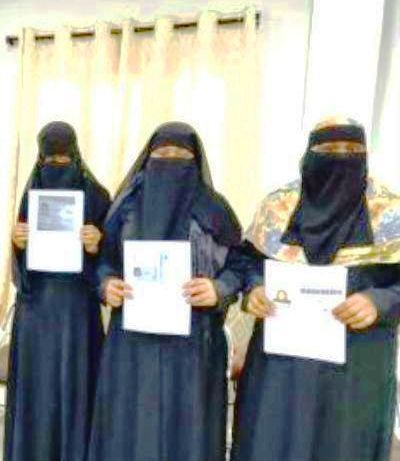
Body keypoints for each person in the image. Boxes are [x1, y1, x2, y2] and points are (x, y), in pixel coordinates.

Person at [229, 117, 400, 461]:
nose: (341, 157)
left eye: (352, 149)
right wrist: (254, 289)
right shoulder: (278, 207)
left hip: (355, 368)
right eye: (329, 148)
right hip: (281, 368)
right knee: (272, 443)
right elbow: (245, 262)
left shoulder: (390, 213)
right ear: (310, 153)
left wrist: (379, 301)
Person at [86, 121, 243, 461]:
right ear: (148, 159)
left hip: (193, 346)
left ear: (195, 161)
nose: (170, 160)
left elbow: (240, 264)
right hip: (131, 345)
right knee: (129, 428)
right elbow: (103, 261)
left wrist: (219, 289)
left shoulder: (214, 209)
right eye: (162, 154)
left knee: (185, 433)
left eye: (180, 156)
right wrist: (106, 285)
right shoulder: (125, 208)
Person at [4, 121, 111, 461]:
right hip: (35, 310)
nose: (57, 167)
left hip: (77, 310)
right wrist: (18, 244)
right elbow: (20, 269)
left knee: (75, 386)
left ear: (76, 156)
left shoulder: (98, 196)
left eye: (64, 160)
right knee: (36, 388)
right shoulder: (32, 192)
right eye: (50, 161)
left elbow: (113, 263)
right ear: (40, 159)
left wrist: (97, 245)